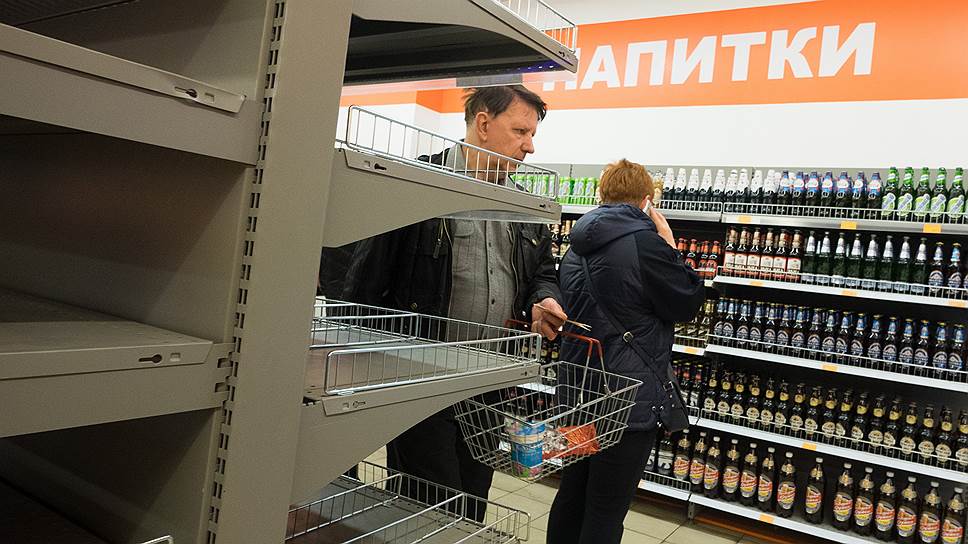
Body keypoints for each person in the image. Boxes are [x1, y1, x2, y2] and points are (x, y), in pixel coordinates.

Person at [342, 85, 566, 519]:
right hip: (421, 376)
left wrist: (545, 299)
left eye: (532, 134)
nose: (530, 147)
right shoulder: (418, 187)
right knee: (427, 501)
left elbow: (542, 271)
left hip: (488, 381)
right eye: (520, 131)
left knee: (473, 495)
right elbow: (366, 281)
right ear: (483, 124)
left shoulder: (523, 205)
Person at [547, 159, 705, 544]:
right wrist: (670, 247)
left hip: (578, 390)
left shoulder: (576, 244)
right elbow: (687, 302)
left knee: (572, 492)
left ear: (602, 195)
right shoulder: (646, 244)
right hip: (626, 398)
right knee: (606, 507)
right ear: (647, 200)